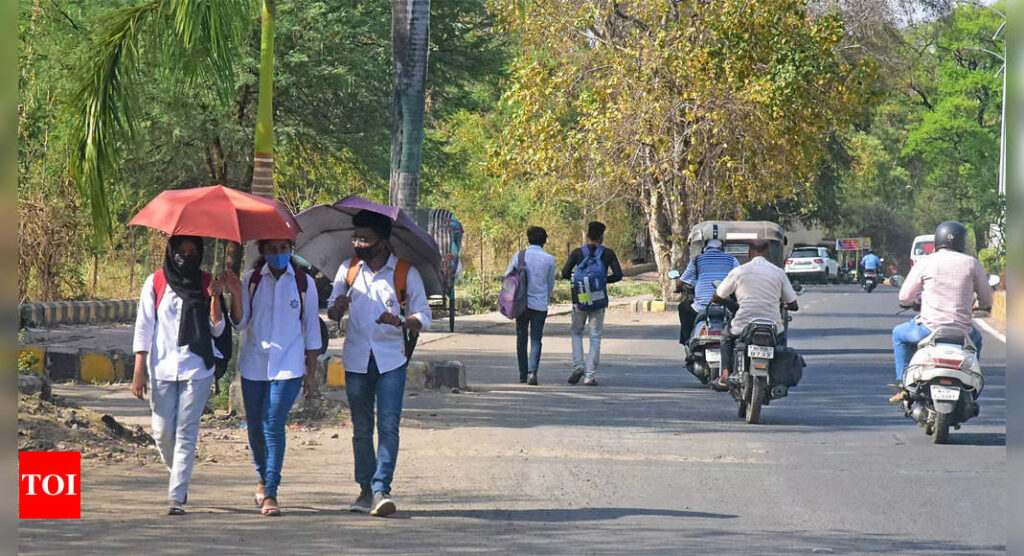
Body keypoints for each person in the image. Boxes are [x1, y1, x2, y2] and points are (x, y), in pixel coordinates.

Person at [327, 210, 431, 517]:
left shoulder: (404, 272)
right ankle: (364, 490)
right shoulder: (348, 270)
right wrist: (338, 307)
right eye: (356, 237)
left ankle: (381, 488)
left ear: (383, 242)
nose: (359, 243)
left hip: (390, 361)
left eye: (366, 238)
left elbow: (424, 316)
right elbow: (332, 311)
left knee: (388, 425)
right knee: (361, 428)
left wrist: (400, 320)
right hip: (357, 359)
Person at [217, 239, 321, 516]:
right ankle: (263, 477)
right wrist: (237, 295)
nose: (279, 255)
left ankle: (271, 492)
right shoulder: (252, 280)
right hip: (254, 364)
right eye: (272, 250)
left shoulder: (303, 283)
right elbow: (240, 323)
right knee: (255, 425)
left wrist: (311, 374)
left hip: (289, 365)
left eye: (284, 249)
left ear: (291, 249)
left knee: (273, 423)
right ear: (263, 251)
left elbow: (312, 330)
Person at [131, 235, 227, 516]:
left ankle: (176, 495)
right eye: (181, 250)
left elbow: (218, 330)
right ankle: (179, 474)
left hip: (197, 367)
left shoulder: (206, 281)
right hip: (161, 367)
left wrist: (216, 296)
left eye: (193, 250)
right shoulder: (156, 281)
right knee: (162, 432)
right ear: (171, 252)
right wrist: (139, 369)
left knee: (186, 432)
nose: (187, 255)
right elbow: (144, 326)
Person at [890, 221, 993, 402]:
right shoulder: (972, 263)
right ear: (962, 242)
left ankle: (903, 381)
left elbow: (904, 296)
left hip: (928, 329)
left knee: (898, 334)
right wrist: (982, 304)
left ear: (938, 240)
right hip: (963, 332)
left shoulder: (925, 262)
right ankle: (970, 384)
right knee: (977, 341)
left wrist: (912, 302)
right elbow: (986, 298)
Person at [711, 240, 799, 390]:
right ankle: (778, 380)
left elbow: (717, 296)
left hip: (743, 324)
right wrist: (783, 305)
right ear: (768, 254)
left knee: (726, 336)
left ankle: (725, 375)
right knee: (781, 343)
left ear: (749, 253)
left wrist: (728, 302)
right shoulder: (778, 273)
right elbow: (794, 305)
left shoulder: (739, 272)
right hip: (772, 326)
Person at [561, 221, 623, 386]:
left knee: (576, 333)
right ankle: (589, 376)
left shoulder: (577, 253)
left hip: (579, 299)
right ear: (602, 237)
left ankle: (578, 365)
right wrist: (602, 281)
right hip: (598, 300)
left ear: (588, 235)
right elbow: (618, 275)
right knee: (595, 337)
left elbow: (565, 273)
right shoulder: (608, 253)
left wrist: (581, 281)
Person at [505, 226, 556, 385]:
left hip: (521, 303)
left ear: (528, 239)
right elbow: (550, 283)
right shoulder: (549, 259)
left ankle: (522, 374)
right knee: (536, 338)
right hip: (539, 305)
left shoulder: (519, 256)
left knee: (521, 338)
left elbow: (508, 276)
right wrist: (545, 295)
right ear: (544, 240)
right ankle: (532, 372)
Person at [675, 239, 739, 350]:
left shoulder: (697, 260)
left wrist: (678, 288)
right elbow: (739, 278)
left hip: (701, 308)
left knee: (683, 307)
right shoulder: (732, 259)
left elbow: (681, 282)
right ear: (722, 249)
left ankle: (688, 340)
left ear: (705, 249)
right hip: (725, 307)